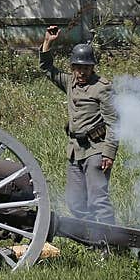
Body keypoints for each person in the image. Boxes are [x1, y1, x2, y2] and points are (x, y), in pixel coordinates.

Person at [39, 25, 118, 228]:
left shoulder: (102, 88)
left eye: (86, 68)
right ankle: (93, 236)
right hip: (75, 150)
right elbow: (47, 69)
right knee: (75, 202)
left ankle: (111, 242)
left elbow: (114, 122)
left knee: (97, 199)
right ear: (72, 67)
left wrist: (108, 154)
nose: (81, 72)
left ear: (92, 67)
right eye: (77, 67)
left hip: (96, 149)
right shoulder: (70, 82)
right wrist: (48, 42)